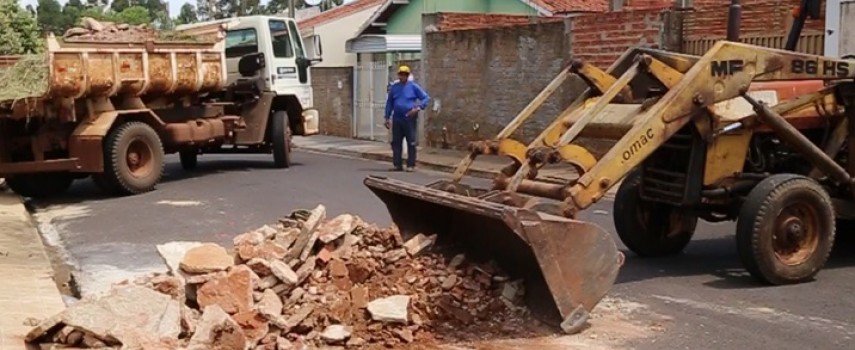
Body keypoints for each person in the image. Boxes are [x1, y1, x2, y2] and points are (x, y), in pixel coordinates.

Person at [384, 65, 430, 172]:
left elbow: (425, 98)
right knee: (396, 142)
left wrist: (418, 108)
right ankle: (397, 164)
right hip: (397, 118)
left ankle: (411, 164)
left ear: (407, 76)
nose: (402, 77)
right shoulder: (394, 88)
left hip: (409, 118)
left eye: (405, 75)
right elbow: (389, 103)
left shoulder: (413, 87)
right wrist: (387, 117)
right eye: (401, 74)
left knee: (411, 142)